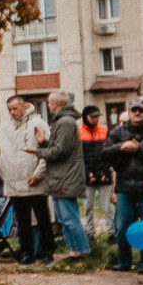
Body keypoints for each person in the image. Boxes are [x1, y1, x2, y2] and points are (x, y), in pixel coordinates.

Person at [0, 95, 52, 262]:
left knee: (42, 217)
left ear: (24, 107)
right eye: (9, 109)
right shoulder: (4, 128)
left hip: (33, 179)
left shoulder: (38, 123)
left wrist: (38, 174)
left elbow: (46, 151)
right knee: (22, 219)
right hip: (13, 180)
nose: (12, 112)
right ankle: (27, 251)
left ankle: (47, 250)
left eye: (15, 108)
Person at [107, 101, 143, 274]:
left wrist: (138, 150)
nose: (137, 113)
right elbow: (104, 153)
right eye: (134, 110)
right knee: (122, 225)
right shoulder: (117, 132)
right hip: (124, 186)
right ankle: (124, 261)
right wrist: (121, 147)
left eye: (141, 110)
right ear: (129, 112)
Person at [41, 91, 89, 258]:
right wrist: (43, 143)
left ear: (57, 104)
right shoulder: (62, 121)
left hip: (66, 177)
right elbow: (58, 146)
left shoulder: (66, 122)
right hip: (61, 177)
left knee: (70, 218)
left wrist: (39, 151)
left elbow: (61, 150)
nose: (48, 106)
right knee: (63, 218)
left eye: (49, 102)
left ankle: (81, 251)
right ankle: (74, 251)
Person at [78, 105, 112, 237]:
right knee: (88, 207)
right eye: (92, 116)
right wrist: (86, 173)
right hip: (86, 175)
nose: (95, 119)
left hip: (104, 173)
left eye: (97, 116)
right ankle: (90, 232)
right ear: (85, 117)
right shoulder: (78, 132)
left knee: (108, 207)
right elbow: (78, 156)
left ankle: (112, 232)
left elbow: (109, 153)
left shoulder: (105, 130)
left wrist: (105, 171)